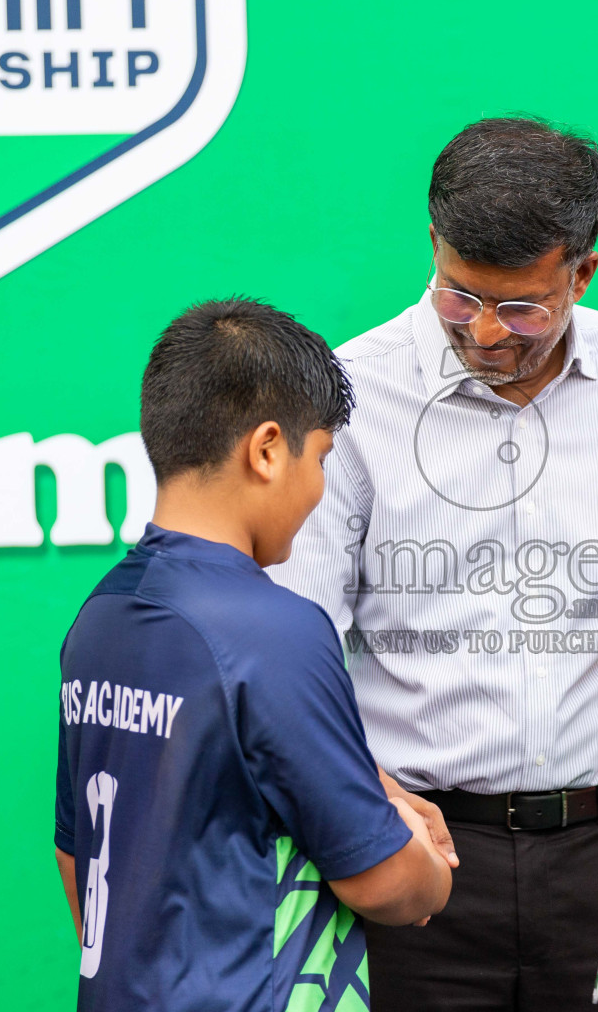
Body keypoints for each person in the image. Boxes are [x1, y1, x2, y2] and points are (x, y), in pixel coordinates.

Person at [272, 117, 598, 1010]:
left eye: (525, 307)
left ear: (584, 271)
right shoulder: (349, 398)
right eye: (460, 297)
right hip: (411, 853)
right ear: (433, 244)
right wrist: (367, 811)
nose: (489, 332)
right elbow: (295, 652)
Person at [53, 299, 452, 1011]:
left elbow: (75, 853)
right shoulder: (276, 631)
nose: (319, 490)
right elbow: (384, 880)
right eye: (321, 457)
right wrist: (430, 862)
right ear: (268, 448)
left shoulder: (100, 615)